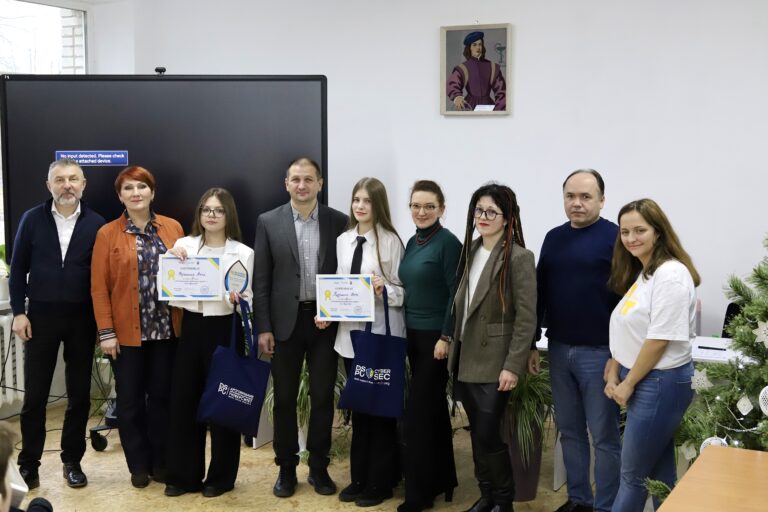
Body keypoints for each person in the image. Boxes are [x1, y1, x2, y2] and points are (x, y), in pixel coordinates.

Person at [253, 157, 348, 498]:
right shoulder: (268, 221)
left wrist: (335, 310)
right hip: (284, 325)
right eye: (296, 179)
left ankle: (319, 468)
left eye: (309, 179)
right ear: (286, 184)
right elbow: (261, 280)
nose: (302, 185)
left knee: (322, 397)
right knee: (284, 400)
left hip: (324, 323)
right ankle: (286, 469)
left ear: (320, 183)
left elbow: (345, 275)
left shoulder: (338, 221)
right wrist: (263, 327)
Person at [9, 159, 105, 490]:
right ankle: (29, 465)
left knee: (79, 395)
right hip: (40, 317)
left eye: (73, 179)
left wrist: (102, 323)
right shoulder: (31, 219)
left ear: (83, 184)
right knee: (35, 396)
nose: (67, 185)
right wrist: (18, 312)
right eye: (60, 179)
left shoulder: (97, 223)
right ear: (48, 185)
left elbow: (102, 278)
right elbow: (17, 269)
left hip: (82, 319)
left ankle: (72, 462)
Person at [532, 169, 621, 512]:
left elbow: (628, 301)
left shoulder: (616, 238)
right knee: (569, 431)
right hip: (559, 349)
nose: (577, 203)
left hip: (601, 353)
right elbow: (540, 292)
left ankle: (606, 505)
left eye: (586, 196)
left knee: (604, 437)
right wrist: (532, 342)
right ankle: (580, 500)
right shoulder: (554, 238)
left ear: (602, 199)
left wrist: (618, 355)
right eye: (570, 196)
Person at [90, 166, 183, 488]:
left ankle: (161, 463)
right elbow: (99, 289)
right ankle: (139, 465)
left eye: (142, 187)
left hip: (166, 331)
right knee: (129, 404)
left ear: (152, 192)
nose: (136, 193)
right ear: (120, 196)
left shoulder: (172, 228)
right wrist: (106, 333)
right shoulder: (107, 234)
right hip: (126, 336)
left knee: (161, 401)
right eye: (128, 188)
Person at [604, 199, 699, 512]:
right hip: (645, 378)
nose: (631, 238)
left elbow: (659, 340)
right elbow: (631, 330)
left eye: (639, 230)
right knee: (659, 475)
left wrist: (628, 383)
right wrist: (614, 369)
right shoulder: (646, 273)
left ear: (658, 231)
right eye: (625, 232)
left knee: (632, 477)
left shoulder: (671, 274)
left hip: (659, 382)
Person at [449, 183, 536, 512]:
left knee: (488, 434)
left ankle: (503, 501)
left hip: (495, 361)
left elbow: (526, 318)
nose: (483, 217)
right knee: (476, 433)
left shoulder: (519, 257)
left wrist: (512, 366)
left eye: (491, 212)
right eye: (478, 210)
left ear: (507, 217)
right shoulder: (469, 250)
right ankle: (486, 496)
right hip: (465, 355)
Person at [163, 188, 254, 498]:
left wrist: (236, 299)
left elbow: (248, 298)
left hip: (225, 329)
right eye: (206, 209)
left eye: (218, 210)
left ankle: (221, 478)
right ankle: (183, 477)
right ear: (199, 214)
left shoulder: (243, 252)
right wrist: (171, 259)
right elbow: (170, 286)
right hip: (191, 328)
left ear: (229, 215)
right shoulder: (183, 245)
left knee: (224, 404)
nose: (211, 215)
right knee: (184, 403)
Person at [324, 177, 405, 507]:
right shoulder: (343, 240)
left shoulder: (390, 241)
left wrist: (385, 289)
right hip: (350, 338)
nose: (360, 206)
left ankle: (380, 482)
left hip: (379, 337)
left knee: (379, 412)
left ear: (378, 205)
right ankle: (359, 478)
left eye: (367, 201)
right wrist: (327, 312)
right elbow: (339, 286)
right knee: (359, 409)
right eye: (356, 199)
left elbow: (402, 293)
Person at [397, 180, 461, 512]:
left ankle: (419, 496)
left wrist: (446, 336)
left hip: (436, 338)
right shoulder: (413, 241)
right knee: (433, 412)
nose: (421, 212)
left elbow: (456, 293)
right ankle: (442, 480)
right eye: (416, 206)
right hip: (412, 336)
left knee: (417, 417)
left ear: (442, 209)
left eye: (429, 206)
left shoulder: (448, 243)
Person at [446, 31, 506, 111]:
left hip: (488, 106)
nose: (478, 47)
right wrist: (457, 97)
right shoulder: (463, 68)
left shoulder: (493, 67)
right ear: (469, 48)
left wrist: (498, 111)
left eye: (480, 44)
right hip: (469, 106)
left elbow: (501, 91)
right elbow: (453, 84)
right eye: (474, 45)